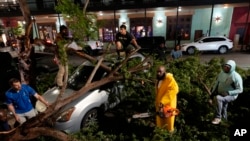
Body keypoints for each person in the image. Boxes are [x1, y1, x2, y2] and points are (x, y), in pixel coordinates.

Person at [210, 60, 243, 124]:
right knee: (223, 107)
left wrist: (228, 93)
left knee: (218, 98)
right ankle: (225, 121)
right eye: (225, 67)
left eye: (228, 67)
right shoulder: (222, 73)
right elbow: (217, 83)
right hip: (222, 93)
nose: (226, 68)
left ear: (232, 68)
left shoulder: (236, 76)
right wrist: (212, 94)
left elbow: (240, 90)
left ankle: (218, 117)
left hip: (232, 95)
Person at [155, 65, 179, 132]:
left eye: (160, 72)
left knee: (169, 126)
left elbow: (175, 89)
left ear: (164, 72)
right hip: (160, 107)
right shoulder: (158, 80)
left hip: (168, 107)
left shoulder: (169, 78)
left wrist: (163, 101)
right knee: (160, 126)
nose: (158, 73)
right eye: (157, 72)